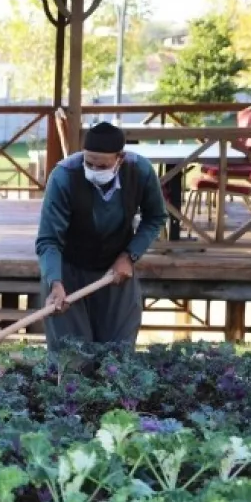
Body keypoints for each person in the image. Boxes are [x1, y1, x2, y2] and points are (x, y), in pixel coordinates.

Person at [35, 121, 167, 349]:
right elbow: (48, 238)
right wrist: (55, 282)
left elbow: (155, 217)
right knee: (71, 357)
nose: (94, 171)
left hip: (116, 270)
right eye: (89, 163)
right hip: (68, 270)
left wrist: (130, 256)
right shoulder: (64, 176)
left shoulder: (141, 171)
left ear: (120, 158)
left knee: (117, 353)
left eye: (102, 165)